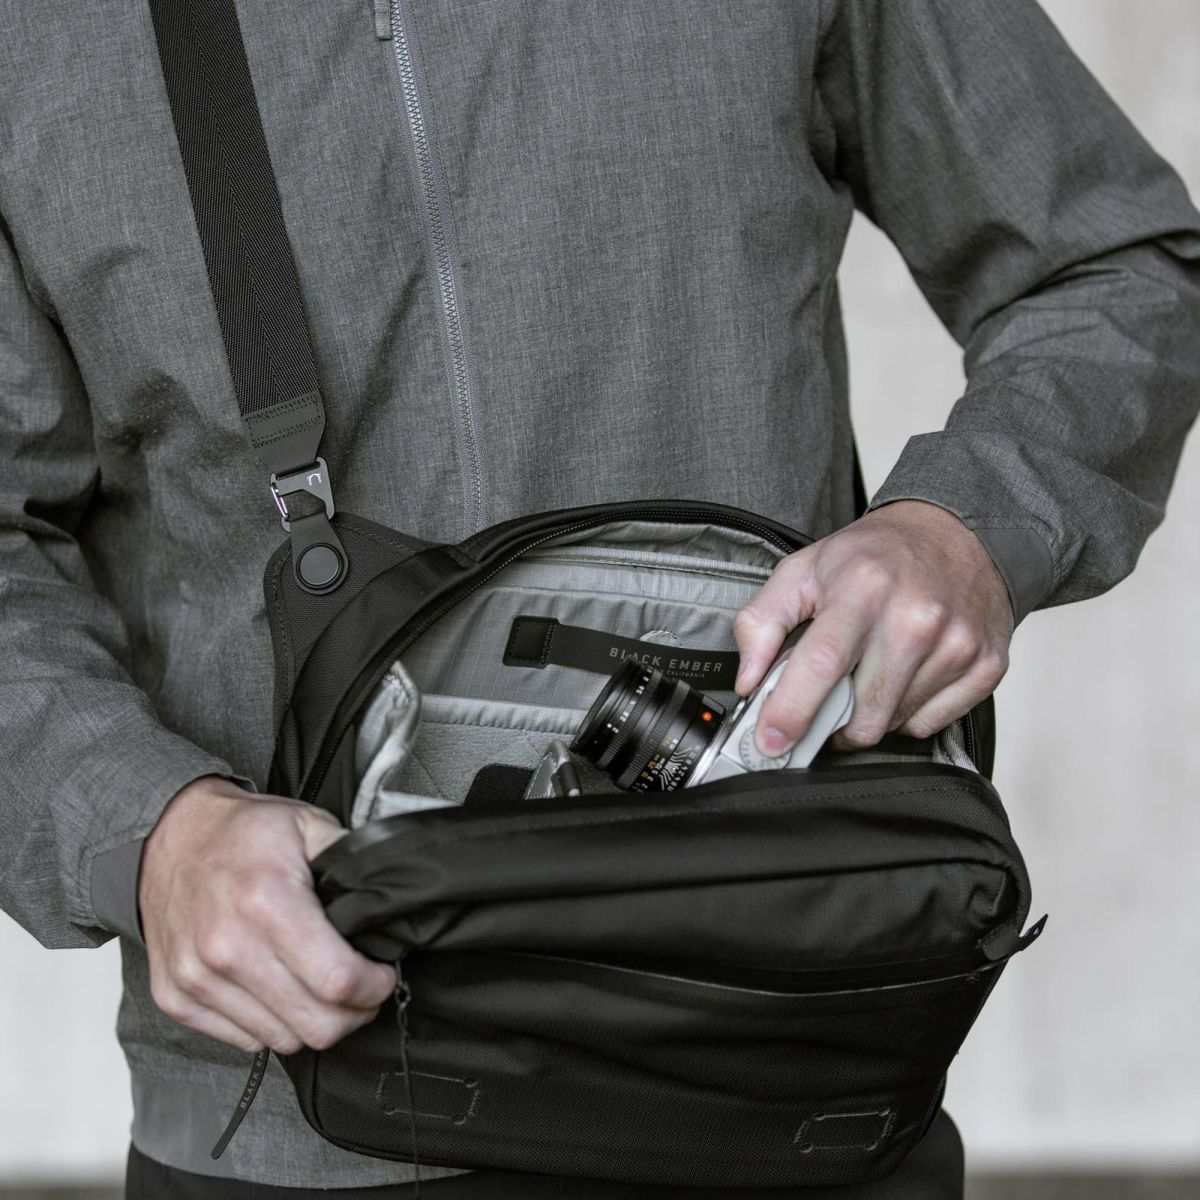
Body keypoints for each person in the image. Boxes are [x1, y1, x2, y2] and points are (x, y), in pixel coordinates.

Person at [1, 1, 1197, 1196]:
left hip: (782, 1078)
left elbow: (1114, 265)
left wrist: (964, 526)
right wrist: (151, 831)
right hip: (294, 1113)